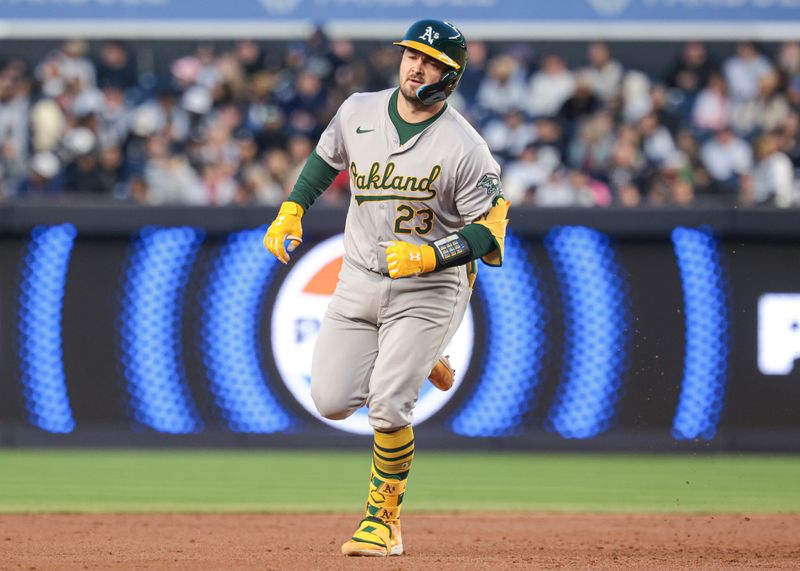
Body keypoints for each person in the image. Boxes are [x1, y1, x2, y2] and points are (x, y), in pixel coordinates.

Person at [263, 19, 509, 557]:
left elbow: (489, 230)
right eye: (411, 55)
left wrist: (430, 255)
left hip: (430, 286)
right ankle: (425, 359)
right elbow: (326, 158)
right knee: (329, 399)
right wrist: (291, 208)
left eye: (430, 61)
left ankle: (383, 519)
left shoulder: (466, 147)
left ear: (451, 74)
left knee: (389, 405)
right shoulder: (358, 111)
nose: (415, 66)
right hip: (359, 275)